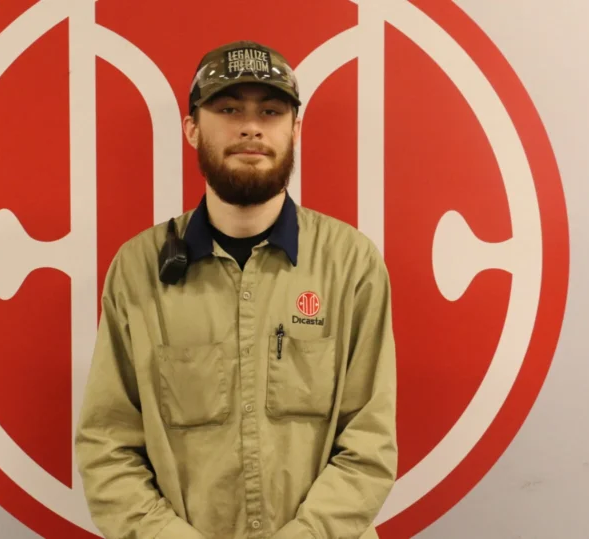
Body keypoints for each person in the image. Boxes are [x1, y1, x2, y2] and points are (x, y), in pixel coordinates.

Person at [75, 40, 398, 539]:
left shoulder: (351, 263)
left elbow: (369, 444)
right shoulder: (137, 270)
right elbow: (107, 445)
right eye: (228, 110)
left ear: (295, 130)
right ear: (191, 129)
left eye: (270, 111)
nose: (251, 127)